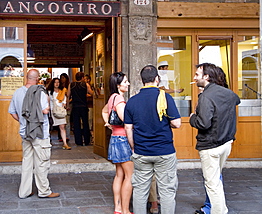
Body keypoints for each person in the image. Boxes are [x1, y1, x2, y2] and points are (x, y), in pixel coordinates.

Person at [125, 65, 181, 214]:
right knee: (167, 191)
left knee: (140, 191)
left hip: (142, 151)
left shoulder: (132, 101)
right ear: (157, 79)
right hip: (165, 151)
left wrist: (133, 147)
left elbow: (128, 128)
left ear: (141, 80)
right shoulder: (165, 97)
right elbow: (177, 123)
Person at [190, 63, 240, 214]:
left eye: (197, 74)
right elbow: (236, 100)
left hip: (211, 146)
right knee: (216, 179)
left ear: (206, 76)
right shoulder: (228, 93)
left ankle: (219, 211)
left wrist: (192, 117)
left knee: (212, 184)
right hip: (226, 142)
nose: (194, 77)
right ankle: (211, 208)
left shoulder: (206, 96)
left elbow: (203, 123)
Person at [8, 69, 60, 199]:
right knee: (42, 162)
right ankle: (44, 191)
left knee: (27, 162)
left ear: (26, 77)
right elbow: (44, 111)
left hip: (25, 132)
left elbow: (12, 112)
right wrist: (48, 102)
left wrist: (23, 122)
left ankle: (24, 191)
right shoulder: (40, 92)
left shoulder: (18, 92)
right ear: (37, 79)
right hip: (39, 132)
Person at [101, 72, 133, 214]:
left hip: (114, 138)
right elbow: (126, 120)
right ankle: (126, 210)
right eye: (125, 81)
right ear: (118, 84)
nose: (128, 84)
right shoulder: (119, 99)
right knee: (129, 176)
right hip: (123, 139)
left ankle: (118, 208)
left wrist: (108, 123)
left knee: (119, 174)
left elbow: (104, 111)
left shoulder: (112, 98)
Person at [67, 71, 94, 146]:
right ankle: (86, 140)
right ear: (82, 78)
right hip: (83, 106)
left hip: (75, 106)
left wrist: (67, 105)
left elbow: (68, 95)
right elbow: (92, 93)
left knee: (76, 124)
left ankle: (78, 141)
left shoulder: (71, 85)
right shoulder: (85, 85)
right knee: (85, 123)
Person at [47, 77, 71, 150]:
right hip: (52, 111)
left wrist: (64, 104)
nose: (57, 84)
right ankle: (48, 142)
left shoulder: (62, 91)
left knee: (62, 127)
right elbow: (48, 101)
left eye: (58, 82)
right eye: (55, 82)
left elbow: (64, 100)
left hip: (60, 111)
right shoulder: (49, 92)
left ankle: (65, 143)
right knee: (49, 128)